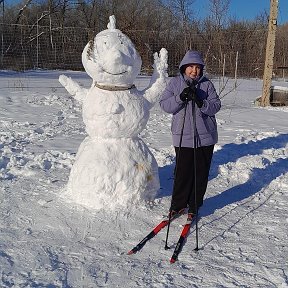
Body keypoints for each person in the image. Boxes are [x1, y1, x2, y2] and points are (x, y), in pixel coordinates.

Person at [159, 50, 221, 220]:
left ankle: (194, 205)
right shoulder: (175, 83)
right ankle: (178, 205)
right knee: (182, 173)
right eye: (191, 67)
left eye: (198, 67)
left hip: (205, 137)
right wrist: (180, 97)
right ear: (184, 68)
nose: (194, 71)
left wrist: (202, 102)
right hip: (182, 137)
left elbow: (216, 106)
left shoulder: (207, 85)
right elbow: (165, 105)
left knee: (200, 173)